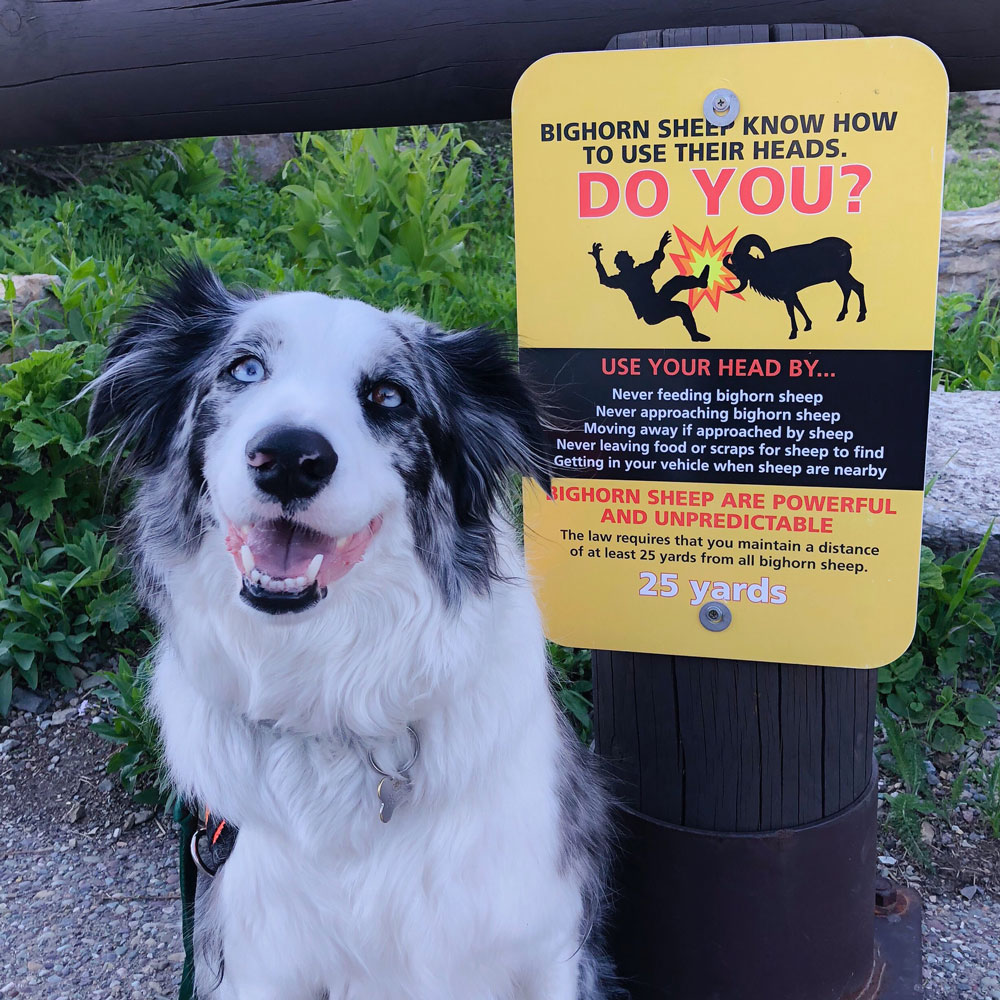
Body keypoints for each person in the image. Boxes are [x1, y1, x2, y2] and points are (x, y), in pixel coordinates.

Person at [589, 230, 711, 342]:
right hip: (651, 313)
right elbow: (604, 280)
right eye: (628, 257)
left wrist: (661, 246)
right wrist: (597, 260)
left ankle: (700, 283)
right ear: (623, 263)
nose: (631, 257)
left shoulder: (641, 270)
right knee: (681, 305)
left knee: (677, 284)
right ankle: (694, 334)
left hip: (657, 301)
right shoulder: (623, 279)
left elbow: (656, 261)